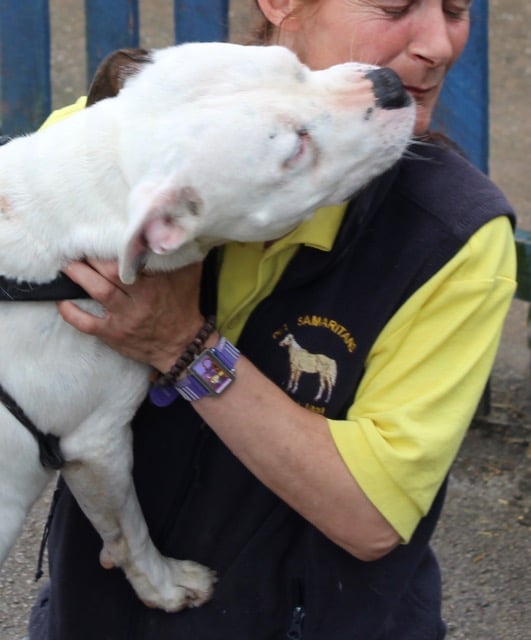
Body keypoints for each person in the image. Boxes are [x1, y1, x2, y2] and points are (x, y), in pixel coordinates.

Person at [28, 1, 516, 638]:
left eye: (456, 9)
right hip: (94, 614)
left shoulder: (452, 235)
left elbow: (370, 517)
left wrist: (185, 347)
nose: (439, 45)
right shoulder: (108, 147)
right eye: (395, 5)